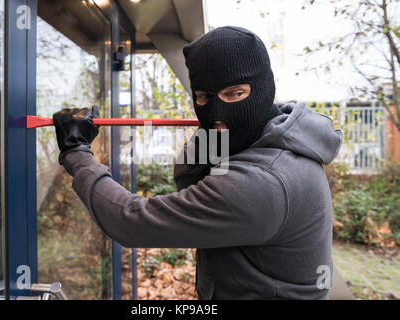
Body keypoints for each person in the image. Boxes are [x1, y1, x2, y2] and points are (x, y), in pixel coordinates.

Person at [52, 26, 343, 300]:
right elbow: (192, 181)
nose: (216, 110)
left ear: (263, 90)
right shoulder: (276, 141)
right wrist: (218, 132)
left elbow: (130, 221)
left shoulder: (261, 181)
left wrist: (77, 152)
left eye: (235, 93)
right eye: (204, 97)